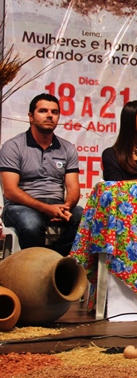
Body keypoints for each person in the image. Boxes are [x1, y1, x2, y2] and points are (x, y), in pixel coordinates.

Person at [0, 93, 83, 256]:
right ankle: (38, 265)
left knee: (84, 218)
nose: (50, 115)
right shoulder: (13, 146)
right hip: (20, 206)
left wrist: (66, 207)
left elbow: (73, 188)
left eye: (54, 112)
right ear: (31, 116)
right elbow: (10, 191)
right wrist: (46, 208)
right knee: (31, 224)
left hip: (57, 205)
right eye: (43, 111)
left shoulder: (67, 149)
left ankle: (53, 260)